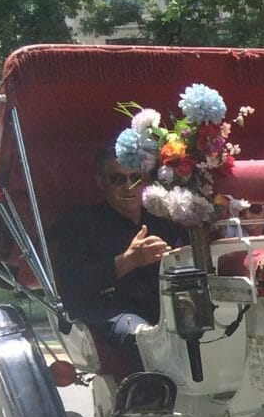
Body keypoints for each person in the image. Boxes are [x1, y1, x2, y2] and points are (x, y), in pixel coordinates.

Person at [53, 146, 188, 371]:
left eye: (136, 178)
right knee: (139, 335)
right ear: (101, 182)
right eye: (118, 179)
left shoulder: (165, 220)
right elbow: (72, 287)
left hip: (163, 305)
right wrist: (128, 260)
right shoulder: (80, 223)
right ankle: (147, 401)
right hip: (110, 307)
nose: (128, 186)